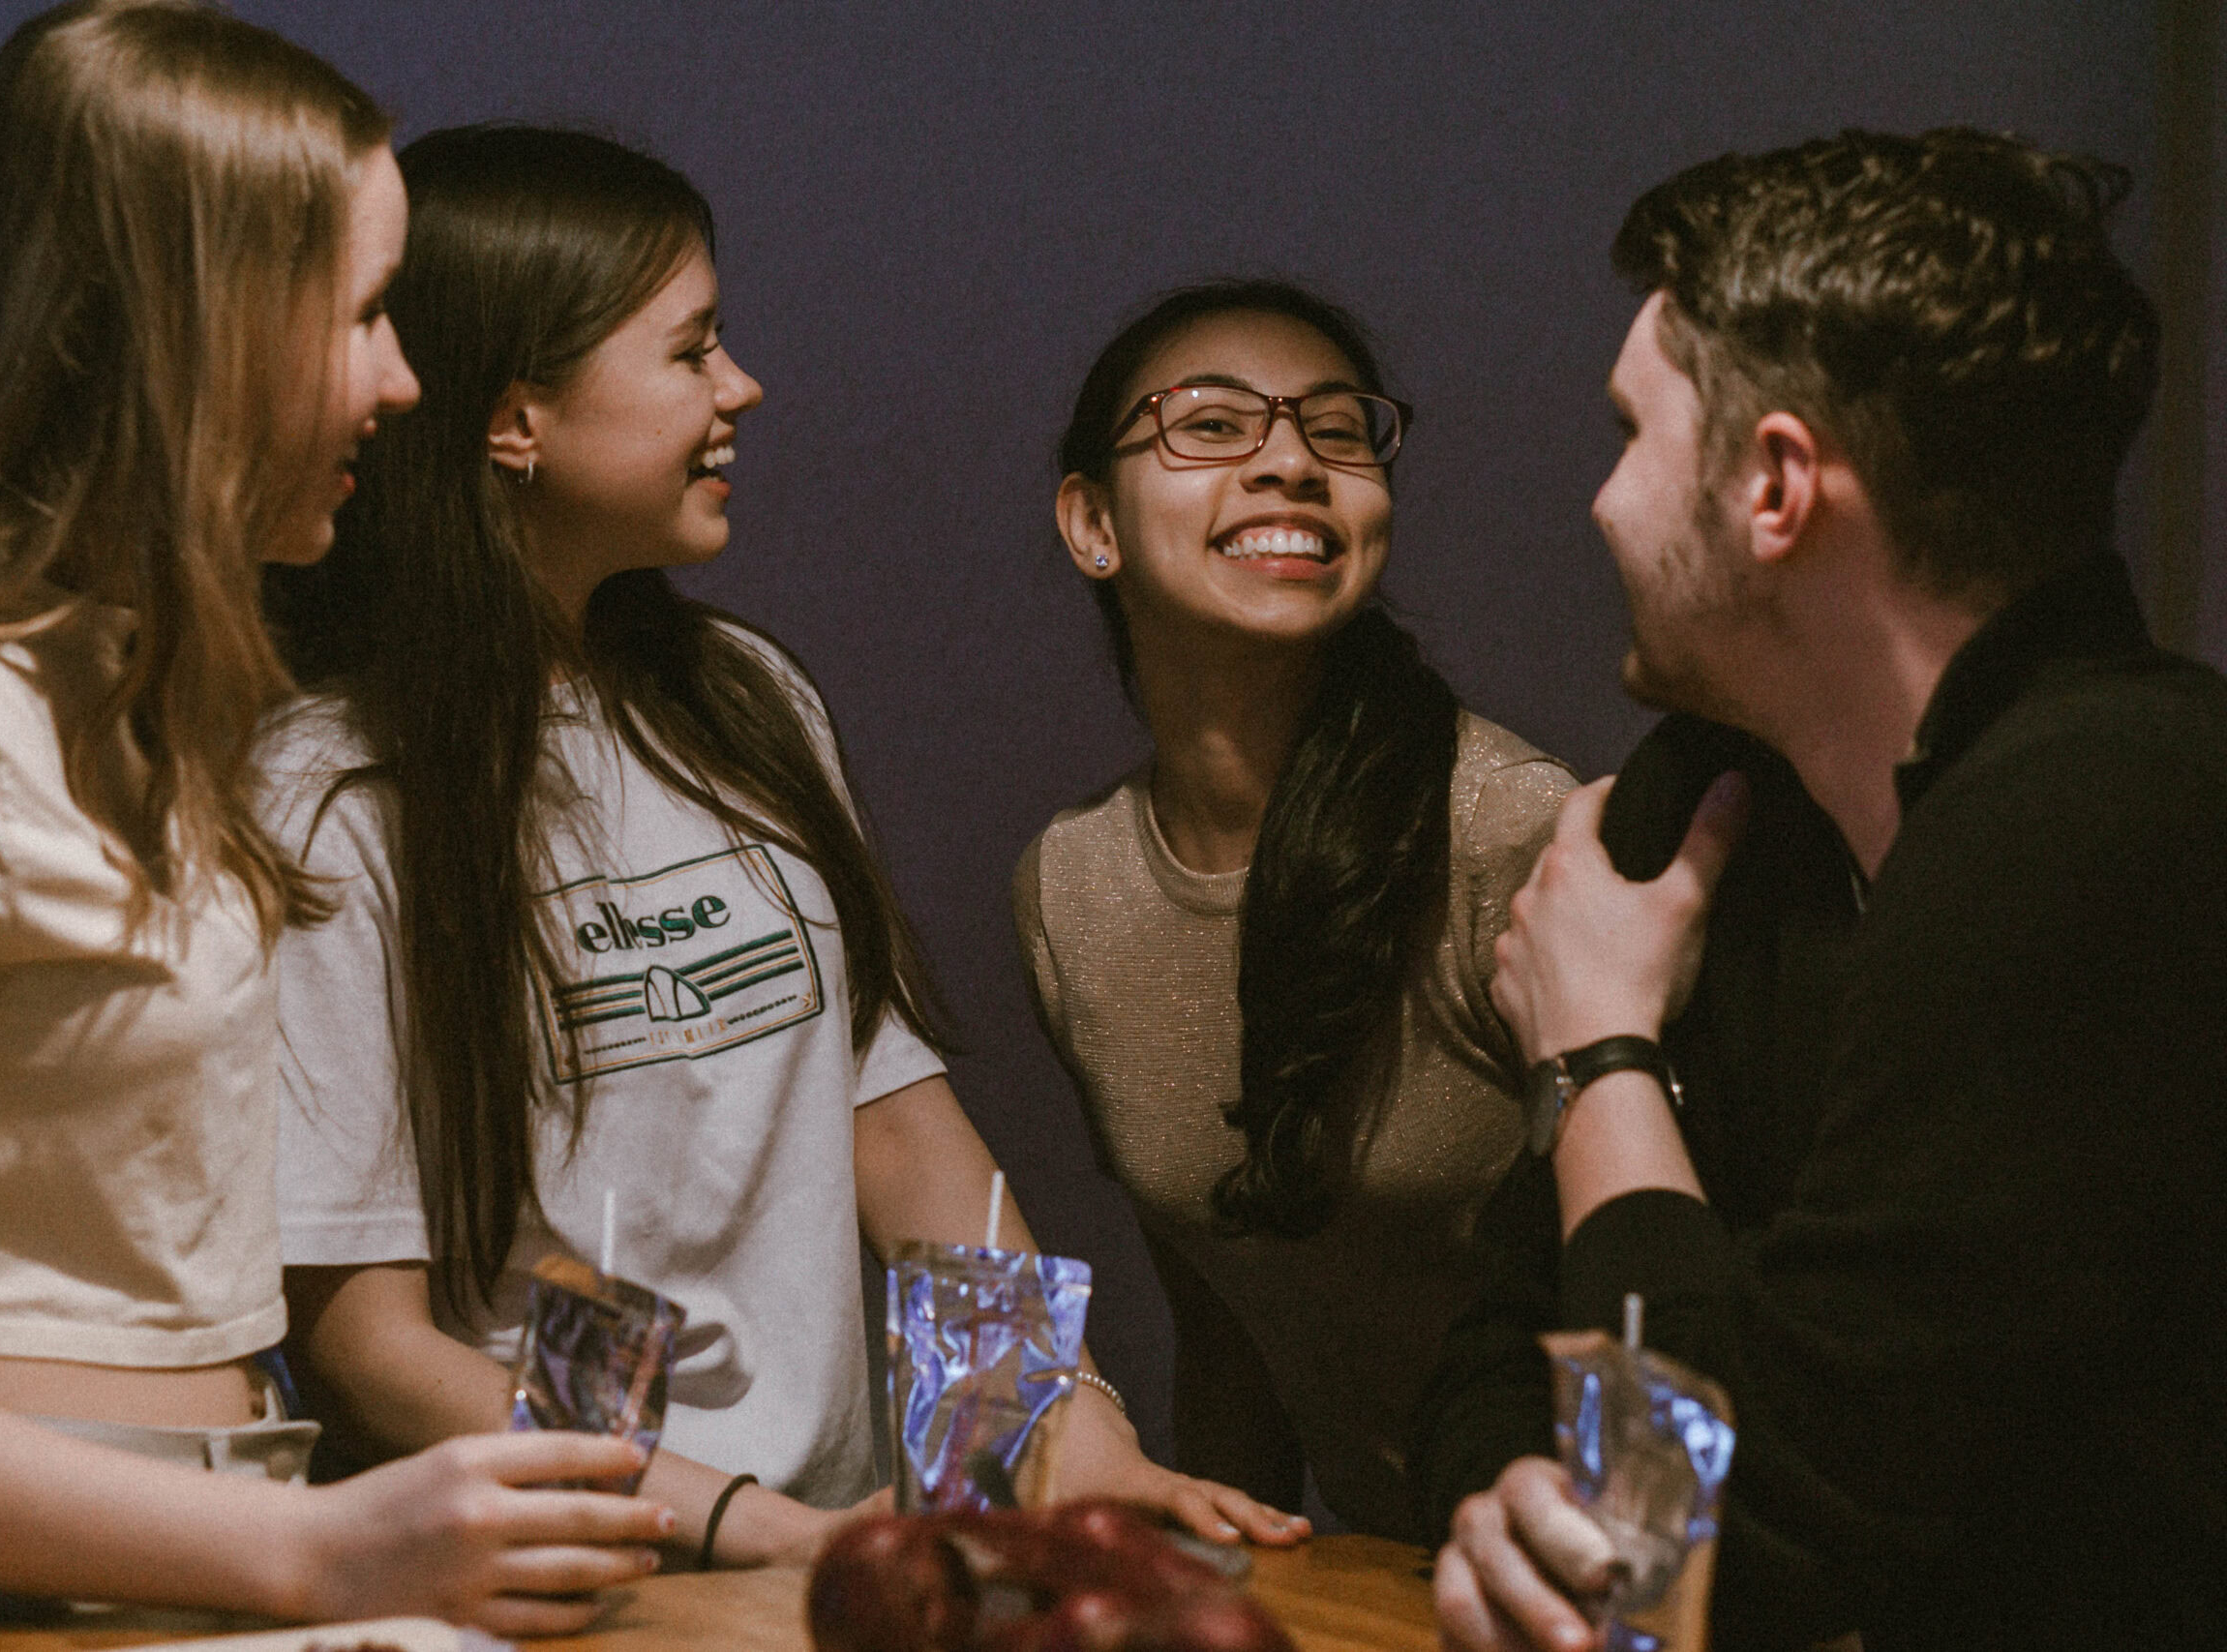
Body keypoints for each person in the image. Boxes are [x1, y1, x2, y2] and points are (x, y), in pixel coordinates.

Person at [0, 4, 678, 1633]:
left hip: (181, 1570)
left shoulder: (141, 705)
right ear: (193, 322)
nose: (402, 384)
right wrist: (322, 1552)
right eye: (368, 315)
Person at [256, 125, 1298, 1572]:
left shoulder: (746, 699)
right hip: (570, 1578)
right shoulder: (332, 793)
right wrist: (745, 1531)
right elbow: (365, 1341)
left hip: (832, 1550)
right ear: (516, 421)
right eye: (689, 352)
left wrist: (1060, 1434)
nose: (742, 387)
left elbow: (897, 1131)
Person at [1429, 129, 2226, 1652]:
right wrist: (1518, 1514)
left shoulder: (2116, 817)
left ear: (1776, 483)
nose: (1600, 502)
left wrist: (1599, 1053)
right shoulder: (1712, 816)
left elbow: (1746, 1542)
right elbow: (1498, 1354)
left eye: (1631, 432)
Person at [1013, 281, 1575, 1539]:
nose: (1290, 463)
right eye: (1212, 426)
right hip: (1385, 1588)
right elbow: (1232, 1319)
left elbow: (1669, 1303)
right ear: (1091, 521)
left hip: (1601, 1575)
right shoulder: (1072, 888)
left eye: (1338, 430)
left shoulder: (1509, 833)